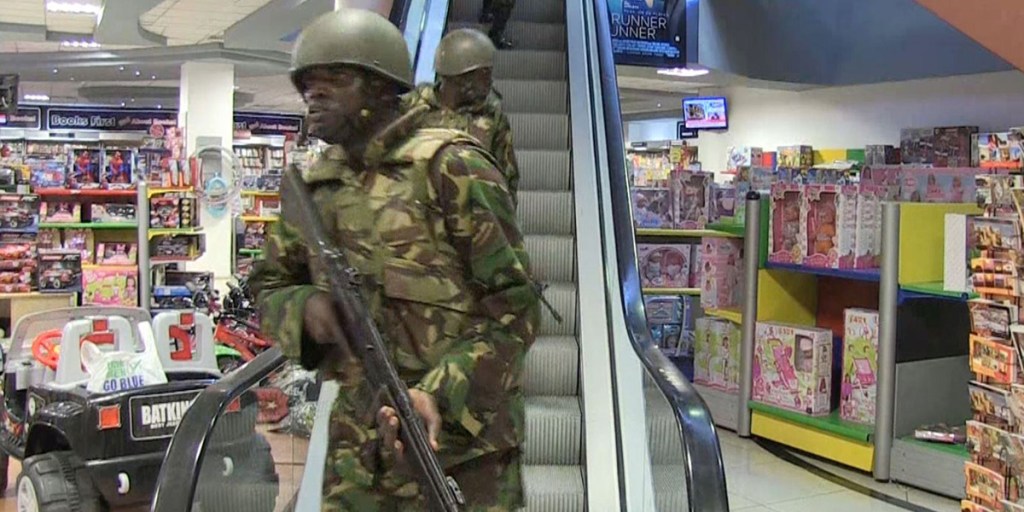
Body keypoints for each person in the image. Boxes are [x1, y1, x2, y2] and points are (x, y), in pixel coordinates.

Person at [249, 8, 540, 511]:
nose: (314, 95)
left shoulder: (453, 167)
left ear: (381, 87)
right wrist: (308, 311)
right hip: (358, 453)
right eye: (307, 85)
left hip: (461, 454)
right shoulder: (318, 185)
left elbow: (516, 311)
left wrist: (437, 396)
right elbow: (269, 283)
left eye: (334, 81)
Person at [405, 29, 520, 205]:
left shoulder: (492, 118)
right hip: (417, 218)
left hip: (467, 217)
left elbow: (507, 180)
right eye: (484, 74)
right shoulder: (413, 108)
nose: (490, 81)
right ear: (461, 79)